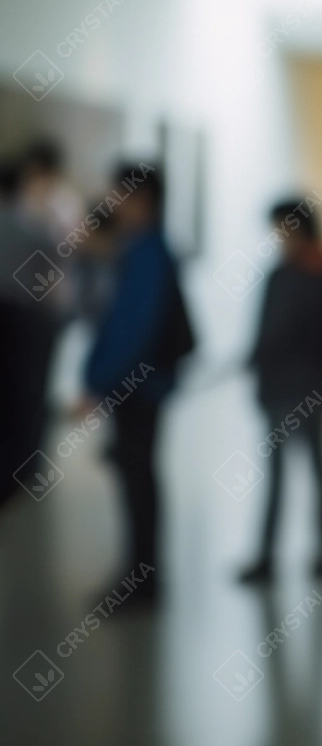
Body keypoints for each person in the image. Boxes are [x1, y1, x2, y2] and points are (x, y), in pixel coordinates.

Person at [239, 199, 322, 584]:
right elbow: (265, 332)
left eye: (283, 228)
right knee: (278, 473)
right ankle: (267, 554)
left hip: (311, 387)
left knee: (317, 468)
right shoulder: (282, 273)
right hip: (280, 387)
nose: (279, 237)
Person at [79, 162, 194, 606]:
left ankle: (141, 582)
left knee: (139, 484)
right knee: (136, 481)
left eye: (119, 195)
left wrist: (99, 384)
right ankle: (140, 577)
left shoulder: (148, 253)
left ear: (140, 199)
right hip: (137, 388)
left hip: (139, 390)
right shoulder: (141, 249)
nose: (112, 203)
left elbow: (134, 331)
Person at [0, 159, 65, 508]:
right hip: (27, 322)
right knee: (29, 397)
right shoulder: (33, 229)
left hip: (15, 321)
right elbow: (54, 279)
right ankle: (27, 467)